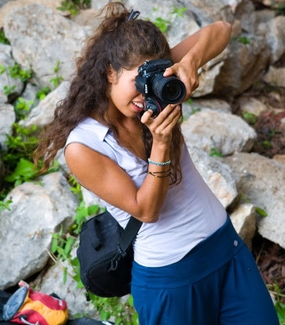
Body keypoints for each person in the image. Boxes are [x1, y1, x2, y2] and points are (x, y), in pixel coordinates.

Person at [34, 2, 279, 324]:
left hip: (225, 248)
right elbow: (146, 210)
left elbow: (221, 30)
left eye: (149, 82)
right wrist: (161, 145)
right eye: (137, 81)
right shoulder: (84, 146)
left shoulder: (158, 79)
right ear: (110, 72)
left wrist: (190, 62)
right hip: (172, 279)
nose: (144, 94)